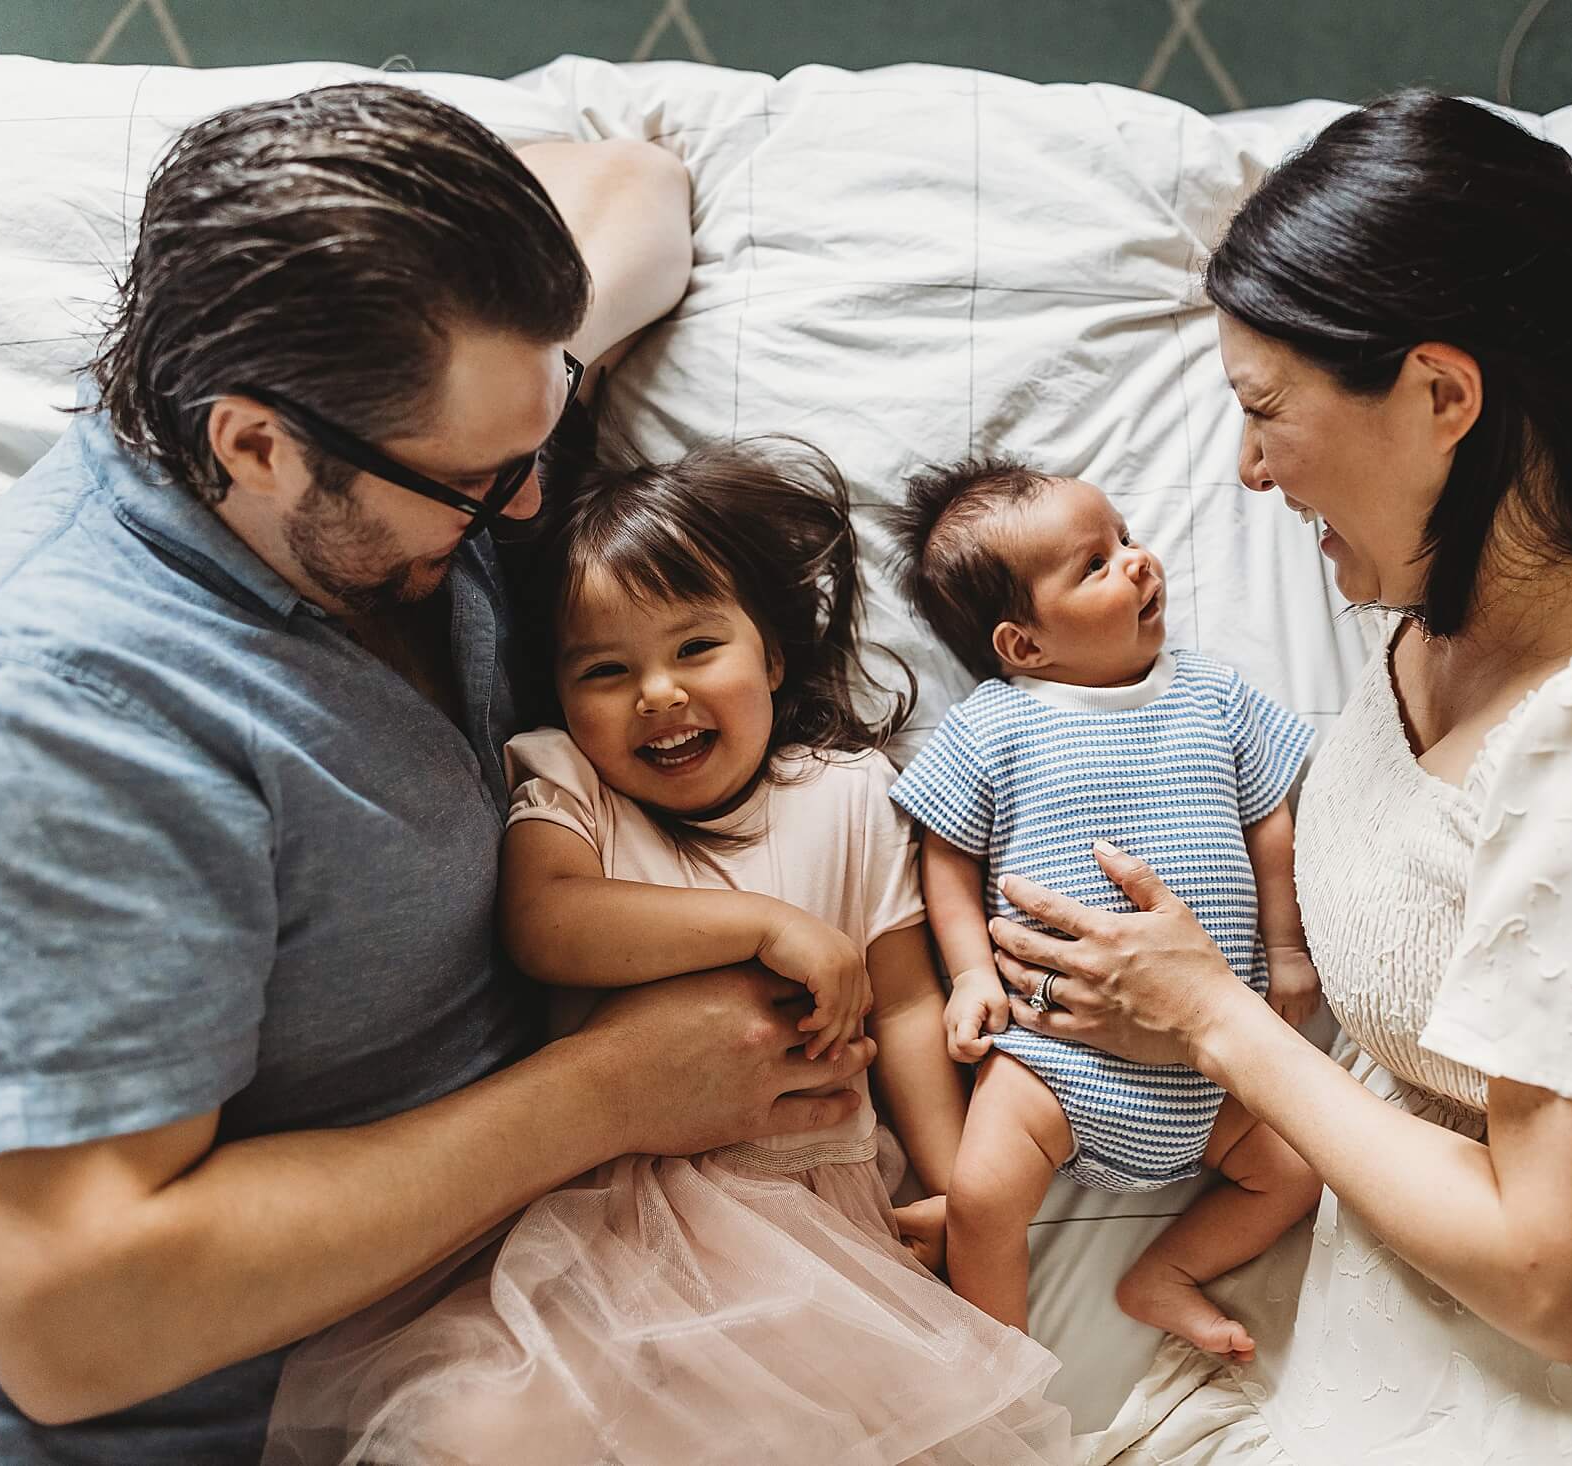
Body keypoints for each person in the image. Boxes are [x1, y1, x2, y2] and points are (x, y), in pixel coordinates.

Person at [0, 83, 877, 1466]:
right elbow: (76, 1319)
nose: (526, 508)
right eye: (483, 480)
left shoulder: (398, 420)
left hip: (513, 1322)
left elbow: (631, 181)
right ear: (256, 443)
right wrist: (613, 1088)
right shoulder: (33, 711)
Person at [1006, 93, 1572, 1465]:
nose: (1244, 467)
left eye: (1265, 409)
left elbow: (1557, 1276)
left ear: (1439, 395)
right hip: (1389, 1292)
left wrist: (1217, 1021)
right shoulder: (1441, 597)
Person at [261, 440, 1071, 1466]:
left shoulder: (850, 793)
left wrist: (959, 1182)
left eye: (696, 648)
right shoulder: (570, 788)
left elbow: (906, 1008)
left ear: (773, 656)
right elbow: (546, 922)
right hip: (609, 1222)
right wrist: (760, 927)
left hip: (818, 1223)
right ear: (560, 691)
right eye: (606, 668)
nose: (656, 692)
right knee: (490, 1426)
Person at [884, 461, 1322, 1363]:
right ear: (1024, 645)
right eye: (1093, 564)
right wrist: (970, 972)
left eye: (1123, 537)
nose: (1137, 561)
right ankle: (1000, 1363)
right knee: (982, 1195)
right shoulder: (994, 723)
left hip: (1213, 1053)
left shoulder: (1213, 692)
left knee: (1297, 1175)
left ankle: (1164, 1274)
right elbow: (947, 854)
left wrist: (1285, 945)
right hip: (1054, 1056)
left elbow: (1270, 817)